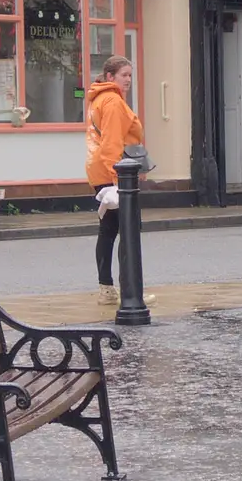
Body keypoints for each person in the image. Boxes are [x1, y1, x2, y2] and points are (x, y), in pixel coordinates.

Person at [86, 56, 142, 306]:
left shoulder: (100, 98)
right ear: (110, 77)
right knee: (126, 230)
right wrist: (117, 182)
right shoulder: (112, 101)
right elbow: (111, 143)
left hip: (104, 173)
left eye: (130, 75)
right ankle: (127, 289)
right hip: (117, 176)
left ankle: (108, 287)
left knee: (109, 230)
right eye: (124, 75)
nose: (128, 80)